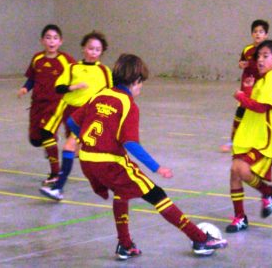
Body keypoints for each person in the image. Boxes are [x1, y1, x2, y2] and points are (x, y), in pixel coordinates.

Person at [45, 53, 228, 259]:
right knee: (156, 195)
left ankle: (125, 245)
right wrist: (157, 167)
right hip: (110, 162)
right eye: (141, 83)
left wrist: (87, 142)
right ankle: (200, 239)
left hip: (88, 161)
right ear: (135, 81)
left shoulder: (99, 95)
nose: (141, 88)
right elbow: (130, 143)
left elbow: (72, 123)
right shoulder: (128, 104)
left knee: (121, 193)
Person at [39, 30, 113, 198]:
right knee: (79, 151)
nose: (93, 52)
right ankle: (106, 179)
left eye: (97, 50)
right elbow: (59, 88)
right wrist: (74, 87)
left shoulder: (104, 71)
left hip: (90, 115)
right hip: (70, 113)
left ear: (101, 52)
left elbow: (111, 94)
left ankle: (58, 187)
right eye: (90, 48)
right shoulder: (72, 68)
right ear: (83, 49)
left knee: (69, 146)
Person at [226, 40, 272, 233]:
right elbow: (249, 106)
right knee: (234, 173)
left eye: (265, 56)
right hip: (246, 135)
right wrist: (249, 92)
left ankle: (268, 191)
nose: (260, 60)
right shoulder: (260, 80)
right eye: (258, 56)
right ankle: (240, 217)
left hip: (262, 139)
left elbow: (262, 107)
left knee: (241, 169)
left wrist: (242, 96)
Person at [18, 24, 75, 185]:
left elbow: (77, 75)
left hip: (56, 104)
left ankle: (55, 173)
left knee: (46, 133)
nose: (52, 41)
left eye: (55, 38)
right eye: (48, 38)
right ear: (42, 40)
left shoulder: (66, 60)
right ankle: (50, 147)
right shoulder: (37, 58)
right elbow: (32, 79)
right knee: (35, 140)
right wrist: (25, 88)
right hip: (37, 104)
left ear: (61, 42)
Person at [220, 19, 269, 153]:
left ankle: (260, 142)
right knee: (239, 114)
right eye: (255, 32)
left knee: (260, 116)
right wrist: (241, 64)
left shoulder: (267, 52)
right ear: (251, 34)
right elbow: (241, 62)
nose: (258, 34)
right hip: (246, 88)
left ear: (266, 35)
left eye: (261, 32)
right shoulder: (247, 49)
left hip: (261, 89)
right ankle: (232, 141)